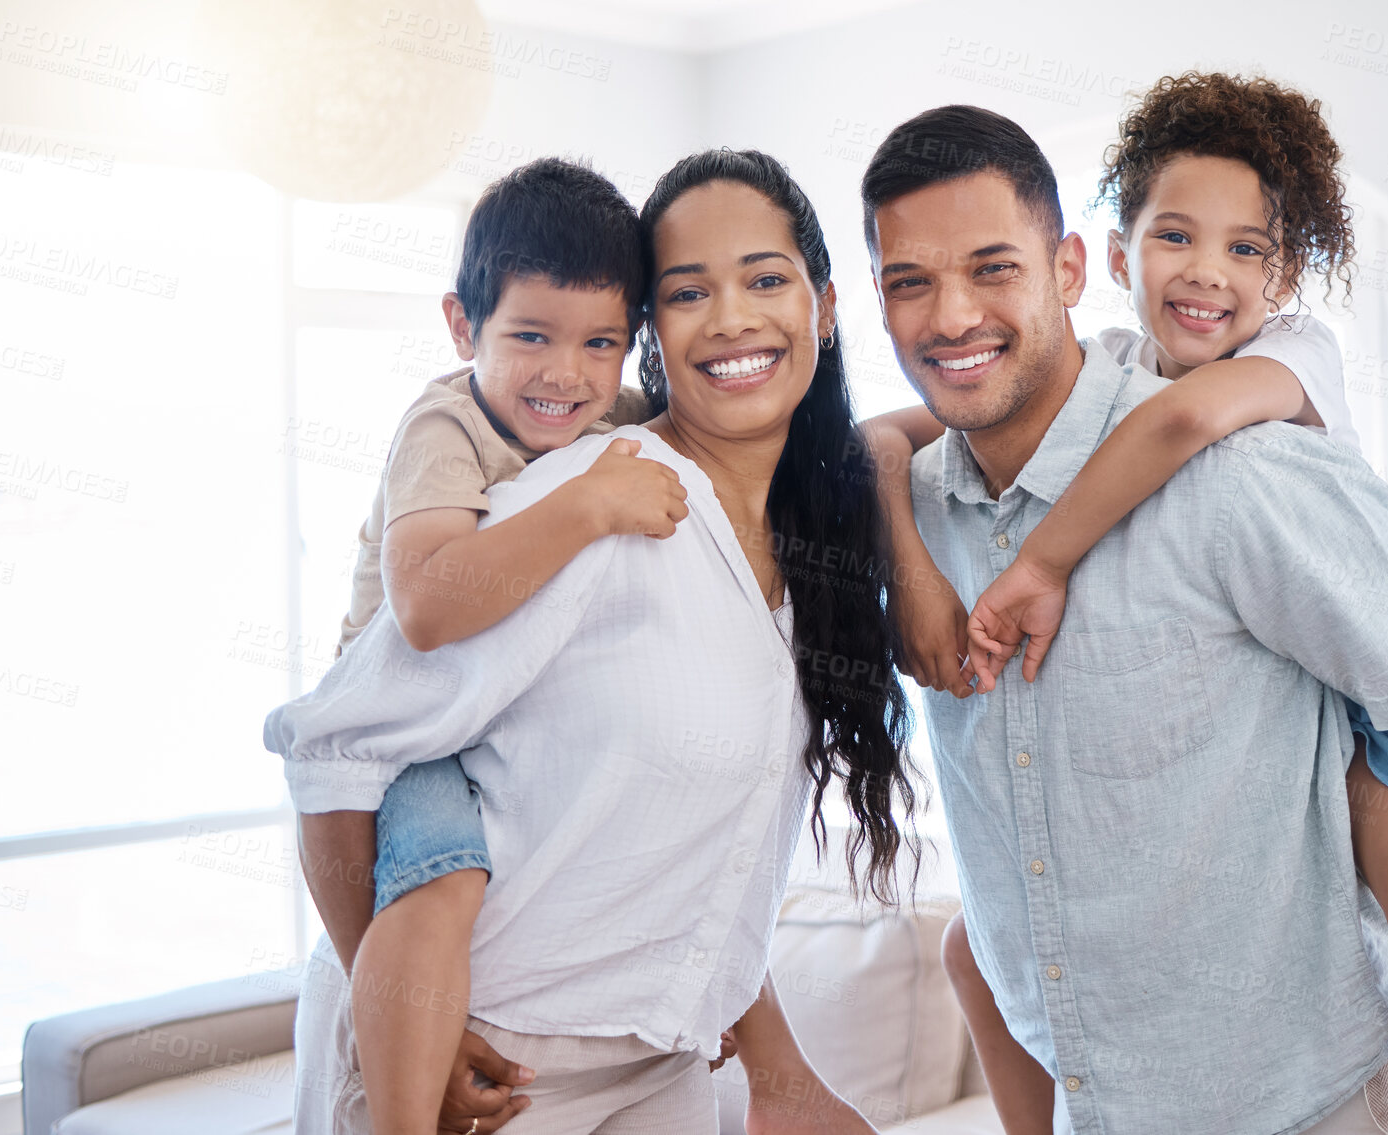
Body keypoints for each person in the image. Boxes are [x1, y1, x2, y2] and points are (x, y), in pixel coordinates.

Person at [858, 103, 1388, 1134]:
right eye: (911, 282)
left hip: (1306, 1102)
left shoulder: (1241, 465)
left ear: (1069, 269)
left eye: (992, 268)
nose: (951, 315)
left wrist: (1379, 843)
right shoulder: (914, 513)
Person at [268, 149, 910, 1133]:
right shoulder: (585, 505)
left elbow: (704, 850)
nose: (733, 316)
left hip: (663, 1065)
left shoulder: (813, 536)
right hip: (484, 1071)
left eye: (766, 279)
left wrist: (780, 1075)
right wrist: (389, 1005)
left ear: (824, 305)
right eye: (691, 290)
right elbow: (335, 744)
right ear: (660, 330)